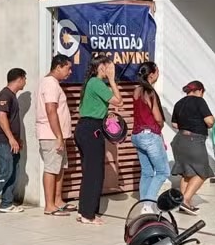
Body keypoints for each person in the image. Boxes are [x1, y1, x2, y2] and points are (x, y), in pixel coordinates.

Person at [75, 53, 123, 224]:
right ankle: (89, 214)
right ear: (100, 67)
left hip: (85, 128)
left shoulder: (91, 83)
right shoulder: (96, 82)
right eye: (108, 66)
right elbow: (119, 101)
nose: (111, 69)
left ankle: (84, 211)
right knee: (95, 173)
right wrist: (111, 80)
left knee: (89, 172)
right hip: (91, 130)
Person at [37, 55, 74, 217]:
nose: (70, 72)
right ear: (58, 67)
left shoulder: (54, 84)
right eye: (68, 68)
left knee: (60, 167)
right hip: (51, 135)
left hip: (58, 135)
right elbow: (51, 110)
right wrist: (58, 135)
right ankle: (49, 205)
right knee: (52, 168)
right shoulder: (50, 84)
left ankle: (58, 200)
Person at [170, 80, 215, 214]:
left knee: (187, 173)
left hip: (179, 140)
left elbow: (174, 124)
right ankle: (185, 199)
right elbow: (210, 120)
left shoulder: (179, 103)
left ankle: (184, 204)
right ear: (200, 90)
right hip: (194, 140)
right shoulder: (199, 101)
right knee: (203, 172)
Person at [0, 68, 27, 213]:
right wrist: (11, 138)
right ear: (19, 79)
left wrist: (17, 139)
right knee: (5, 170)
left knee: (13, 170)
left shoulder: (12, 96)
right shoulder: (5, 95)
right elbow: (2, 116)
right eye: (25, 79)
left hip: (11, 141)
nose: (25, 82)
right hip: (2, 141)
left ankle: (6, 203)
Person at [130, 62, 169, 202]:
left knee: (147, 172)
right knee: (163, 172)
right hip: (149, 135)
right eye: (157, 71)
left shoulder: (136, 90)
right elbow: (158, 117)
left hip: (137, 135)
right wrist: (161, 125)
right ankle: (149, 202)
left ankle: (144, 203)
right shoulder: (149, 92)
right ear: (152, 74)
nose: (158, 74)